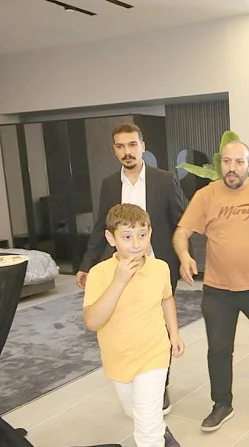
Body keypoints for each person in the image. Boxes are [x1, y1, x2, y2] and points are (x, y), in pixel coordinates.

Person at [172, 140, 249, 433]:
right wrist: (184, 256)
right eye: (227, 161)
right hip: (218, 289)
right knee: (219, 348)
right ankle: (222, 404)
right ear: (220, 163)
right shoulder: (205, 196)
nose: (232, 168)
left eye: (238, 162)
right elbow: (181, 232)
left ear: (248, 165)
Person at [77, 122, 185, 415]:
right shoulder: (109, 184)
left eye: (132, 144)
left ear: (143, 146)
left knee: (160, 324)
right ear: (114, 150)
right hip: (121, 267)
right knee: (127, 322)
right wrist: (87, 264)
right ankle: (132, 375)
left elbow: (180, 223)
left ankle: (159, 383)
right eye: (120, 146)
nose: (127, 151)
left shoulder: (165, 180)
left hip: (157, 265)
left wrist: (184, 257)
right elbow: (101, 225)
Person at [83, 204, 185, 447]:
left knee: (146, 427)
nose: (136, 244)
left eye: (142, 235)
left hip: (154, 354)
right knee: (135, 412)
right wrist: (119, 280)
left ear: (150, 232)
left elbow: (166, 298)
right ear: (110, 238)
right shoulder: (100, 273)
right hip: (118, 359)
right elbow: (92, 321)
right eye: (127, 237)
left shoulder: (160, 268)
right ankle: (158, 426)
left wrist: (174, 333)